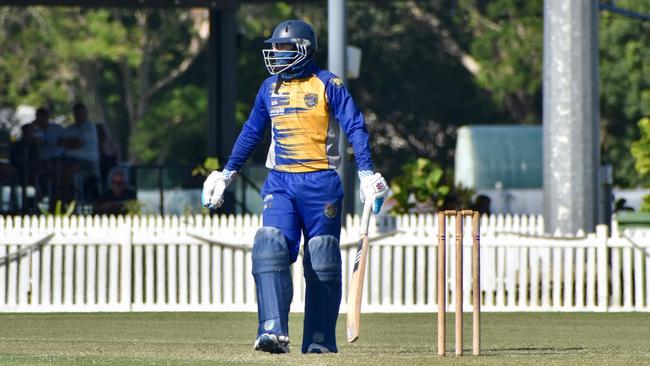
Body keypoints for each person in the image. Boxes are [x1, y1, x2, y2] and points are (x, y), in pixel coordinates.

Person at [201, 20, 389, 354]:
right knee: (269, 244)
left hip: (321, 182)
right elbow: (251, 132)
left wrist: (366, 173)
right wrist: (226, 173)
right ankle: (272, 331)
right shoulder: (269, 88)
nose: (275, 54)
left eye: (283, 48)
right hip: (281, 181)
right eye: (274, 48)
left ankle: (319, 340)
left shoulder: (328, 83)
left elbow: (356, 128)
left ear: (303, 50)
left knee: (322, 255)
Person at [57, 103, 100, 202]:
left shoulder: (89, 128)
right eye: (76, 113)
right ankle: (56, 197)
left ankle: (67, 201)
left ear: (85, 114)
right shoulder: (70, 128)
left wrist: (69, 142)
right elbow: (59, 142)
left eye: (81, 113)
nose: (78, 115)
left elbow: (78, 144)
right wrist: (72, 141)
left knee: (68, 171)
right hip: (67, 160)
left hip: (87, 163)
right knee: (54, 167)